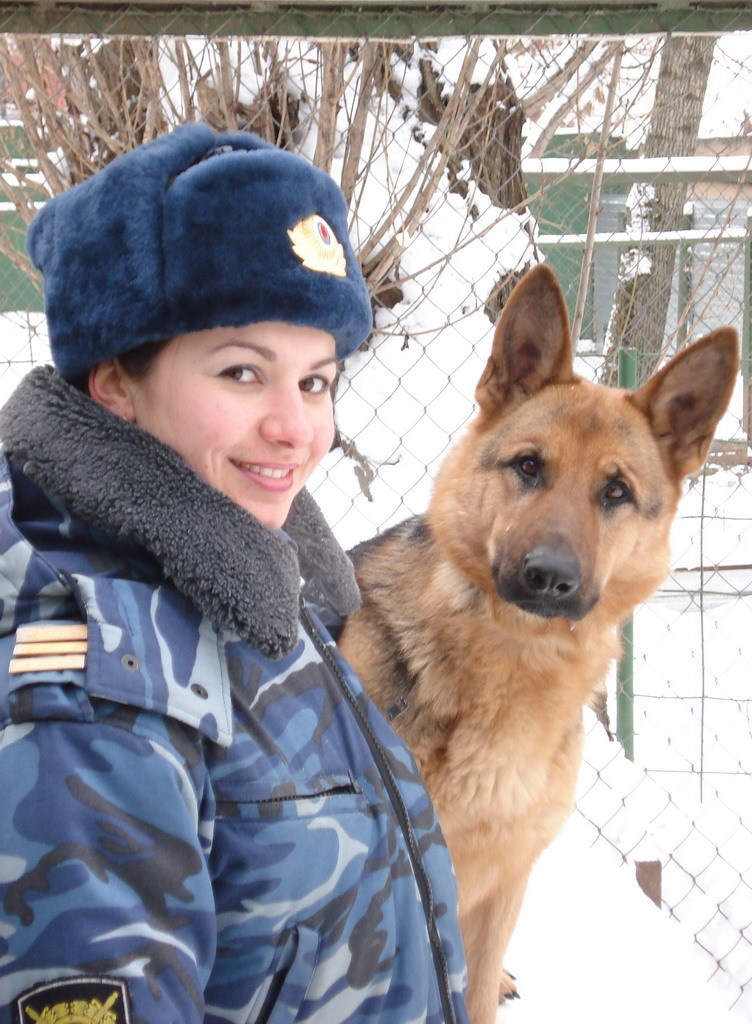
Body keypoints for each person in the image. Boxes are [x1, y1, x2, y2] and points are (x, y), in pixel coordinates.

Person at [0, 123, 468, 1024]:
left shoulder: (245, 585)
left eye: (316, 381)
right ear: (115, 382)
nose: (296, 430)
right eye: (244, 372)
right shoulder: (96, 699)